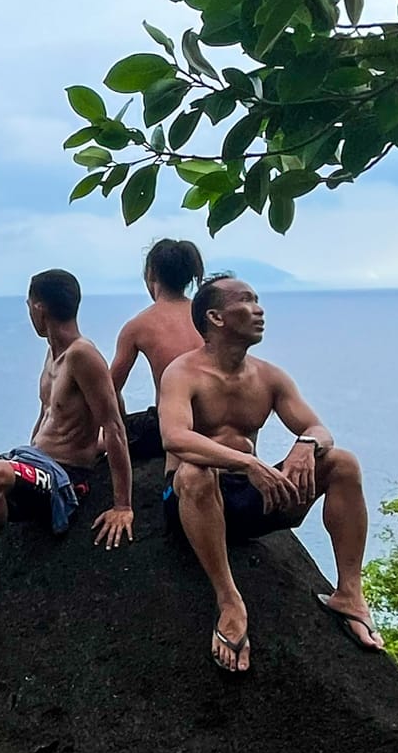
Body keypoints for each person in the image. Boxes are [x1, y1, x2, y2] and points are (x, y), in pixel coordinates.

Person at [158, 275, 383, 673]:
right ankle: (229, 601)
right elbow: (175, 438)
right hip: (196, 502)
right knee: (195, 472)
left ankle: (349, 593)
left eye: (258, 300)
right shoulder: (182, 373)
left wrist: (306, 446)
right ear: (216, 317)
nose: (259, 309)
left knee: (343, 463)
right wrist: (248, 462)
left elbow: (319, 429)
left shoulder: (269, 376)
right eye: (246, 300)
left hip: (252, 499)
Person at [0, 270, 135, 628]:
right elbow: (50, 418)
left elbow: (114, 424)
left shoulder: (84, 355)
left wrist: (122, 504)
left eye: (29, 306)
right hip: (30, 463)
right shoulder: (54, 355)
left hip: (63, 477)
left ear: (38, 307)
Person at [111, 238, 206, 461]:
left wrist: (118, 424)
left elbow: (109, 388)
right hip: (214, 422)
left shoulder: (138, 326)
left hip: (170, 425)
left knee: (100, 441)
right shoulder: (207, 316)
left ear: (151, 274)